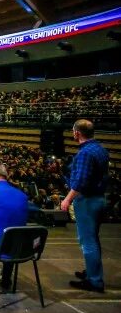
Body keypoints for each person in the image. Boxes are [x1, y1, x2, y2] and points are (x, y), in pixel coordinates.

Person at [61, 119, 109, 293]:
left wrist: (67, 199)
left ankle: (95, 281)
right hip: (99, 199)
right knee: (93, 240)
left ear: (77, 133)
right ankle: (92, 272)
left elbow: (80, 182)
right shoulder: (100, 149)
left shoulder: (84, 153)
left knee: (88, 242)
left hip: (88, 201)